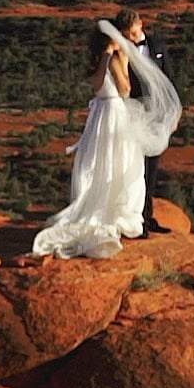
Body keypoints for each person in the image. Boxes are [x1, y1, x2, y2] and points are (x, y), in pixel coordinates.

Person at [30, 17, 181, 259]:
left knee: (99, 164)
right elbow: (125, 89)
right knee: (122, 165)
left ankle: (105, 209)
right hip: (115, 114)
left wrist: (110, 58)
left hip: (99, 116)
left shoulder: (98, 60)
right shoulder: (116, 58)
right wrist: (118, 60)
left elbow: (98, 84)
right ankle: (119, 214)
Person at [114, 8, 175, 235]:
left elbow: (169, 78)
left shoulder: (157, 44)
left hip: (158, 114)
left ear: (141, 24)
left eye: (131, 33)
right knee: (134, 166)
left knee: (153, 167)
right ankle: (135, 221)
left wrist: (174, 112)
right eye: (125, 34)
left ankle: (147, 217)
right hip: (134, 113)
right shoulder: (121, 50)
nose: (129, 38)